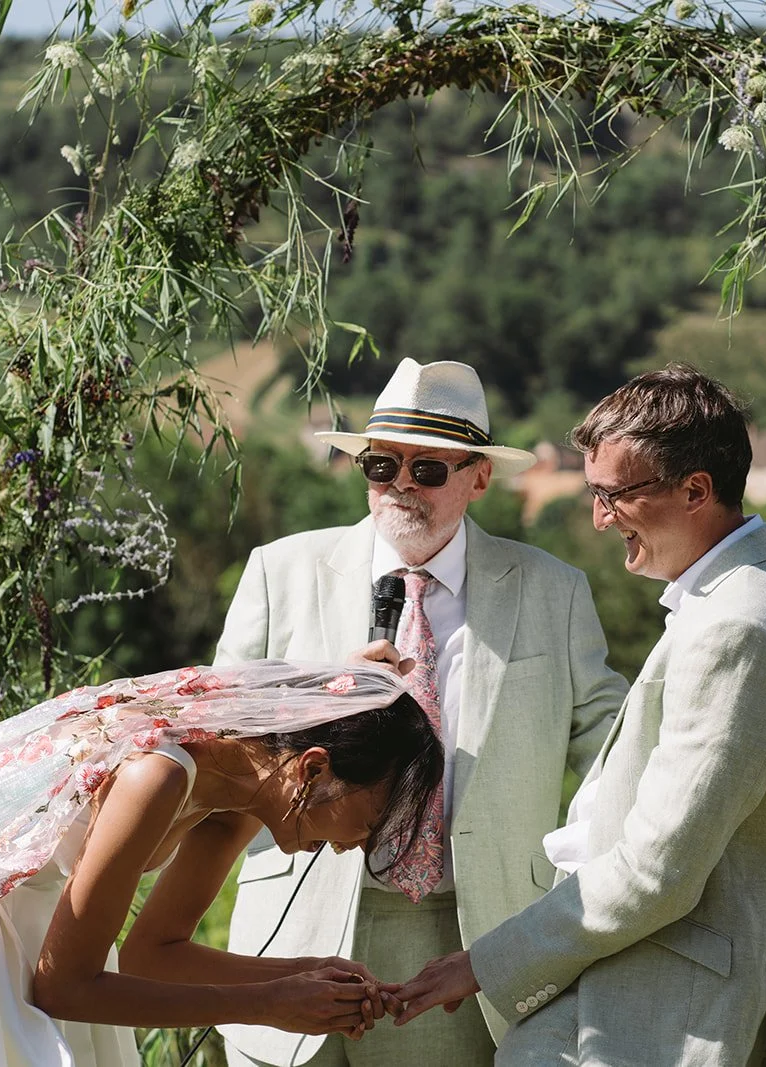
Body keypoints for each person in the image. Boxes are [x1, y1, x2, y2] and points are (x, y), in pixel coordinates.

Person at [394, 364, 766, 1067]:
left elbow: (656, 870)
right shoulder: (760, 591)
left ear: (695, 489)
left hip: (675, 1013)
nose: (599, 518)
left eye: (614, 495)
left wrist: (487, 961)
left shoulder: (738, 626)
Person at [215, 358, 628, 1067]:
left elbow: (616, 760)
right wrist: (319, 700)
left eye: (428, 469)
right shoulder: (278, 572)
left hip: (465, 937)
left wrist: (573, 906)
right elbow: (214, 744)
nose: (400, 484)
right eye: (381, 464)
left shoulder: (553, 591)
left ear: (479, 476)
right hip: (293, 933)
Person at [0, 661, 443, 1067]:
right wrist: (266, 1004)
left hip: (45, 947)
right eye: (371, 815)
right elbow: (62, 986)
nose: (360, 840)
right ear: (312, 767)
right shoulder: (161, 773)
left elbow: (153, 953)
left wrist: (303, 977)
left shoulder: (238, 801)